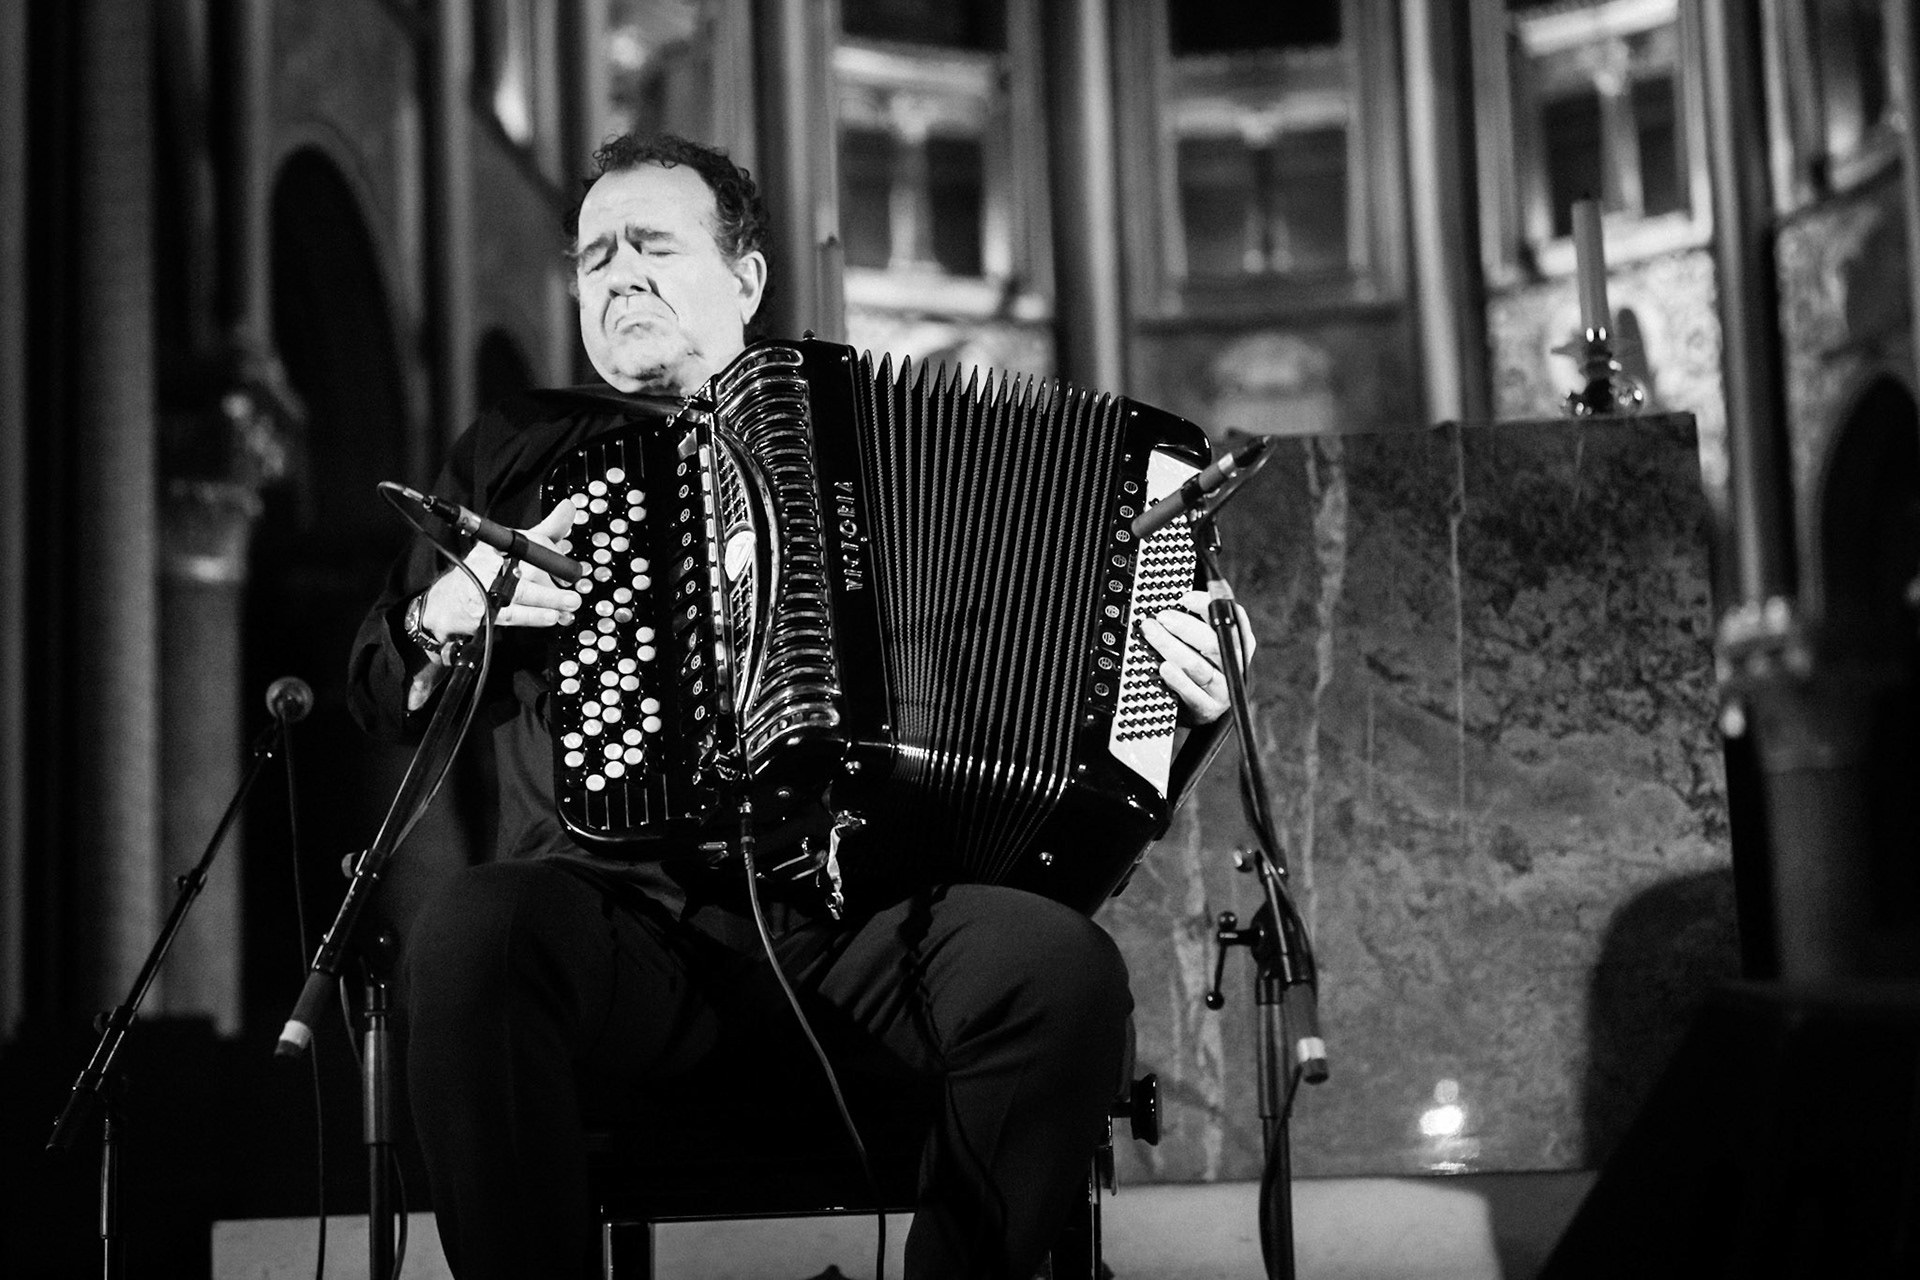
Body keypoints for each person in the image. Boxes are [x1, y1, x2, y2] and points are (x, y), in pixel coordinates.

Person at [348, 132, 1252, 1279]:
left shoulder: (852, 431)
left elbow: (1076, 741)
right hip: (618, 939)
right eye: (594, 256)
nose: (618, 273)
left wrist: (1184, 705)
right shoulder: (521, 452)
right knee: (474, 928)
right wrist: (455, 606)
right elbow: (378, 692)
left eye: (653, 245)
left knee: (1058, 968)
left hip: (856, 931)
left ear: (747, 278)